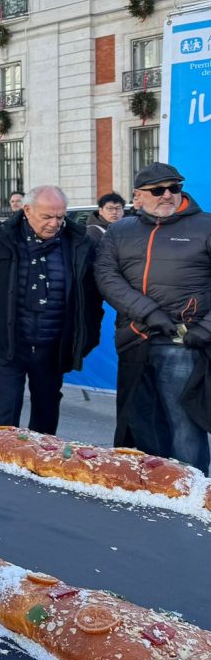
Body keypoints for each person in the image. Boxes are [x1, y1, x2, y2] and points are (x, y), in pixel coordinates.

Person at [94, 163, 211, 473]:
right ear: (139, 195)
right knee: (140, 422)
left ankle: (192, 494)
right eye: (158, 190)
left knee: (185, 427)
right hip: (136, 338)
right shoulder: (120, 230)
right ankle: (150, 490)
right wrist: (148, 312)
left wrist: (206, 328)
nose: (168, 195)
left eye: (174, 188)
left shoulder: (206, 225)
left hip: (183, 343)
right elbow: (105, 276)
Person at [0, 186, 102, 435]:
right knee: (7, 404)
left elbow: (92, 297)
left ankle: (42, 462)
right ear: (27, 210)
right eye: (47, 217)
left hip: (53, 345)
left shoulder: (79, 244)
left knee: (46, 409)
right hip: (8, 342)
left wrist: (87, 336)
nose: (55, 224)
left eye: (60, 217)